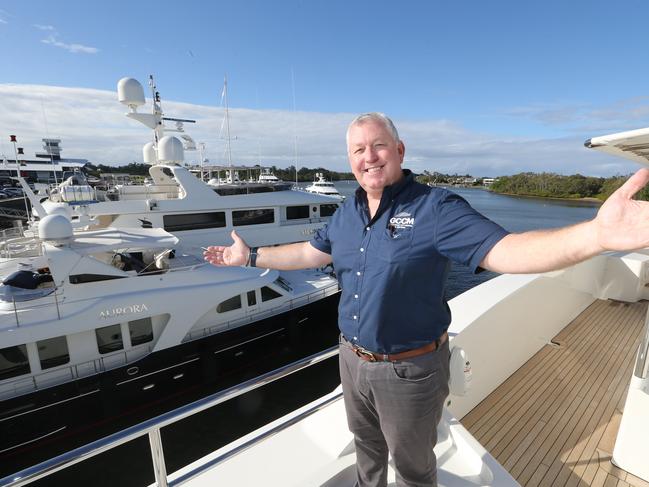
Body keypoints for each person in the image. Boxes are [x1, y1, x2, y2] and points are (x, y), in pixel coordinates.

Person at [203, 112, 649, 487]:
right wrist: (251, 256)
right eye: (358, 150)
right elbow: (310, 252)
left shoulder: (436, 209)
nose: (368, 156)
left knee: (415, 468)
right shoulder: (347, 211)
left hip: (409, 370)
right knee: (367, 449)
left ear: (400, 150)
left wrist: (596, 234)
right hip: (351, 358)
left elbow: (506, 250)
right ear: (349, 161)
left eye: (378, 145)